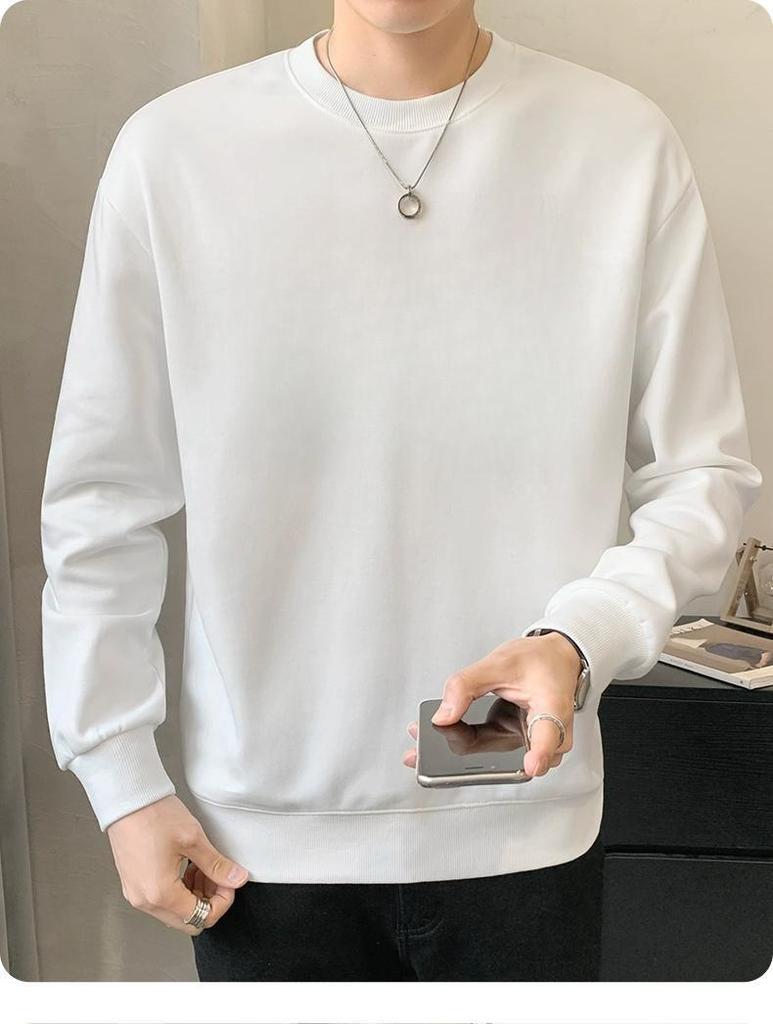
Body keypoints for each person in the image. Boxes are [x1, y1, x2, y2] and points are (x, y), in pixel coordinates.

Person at [39, 0, 763, 982]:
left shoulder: (620, 145)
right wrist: (120, 776)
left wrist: (579, 635)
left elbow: (701, 474)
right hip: (260, 846)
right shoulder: (174, 153)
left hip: (526, 822)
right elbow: (101, 498)